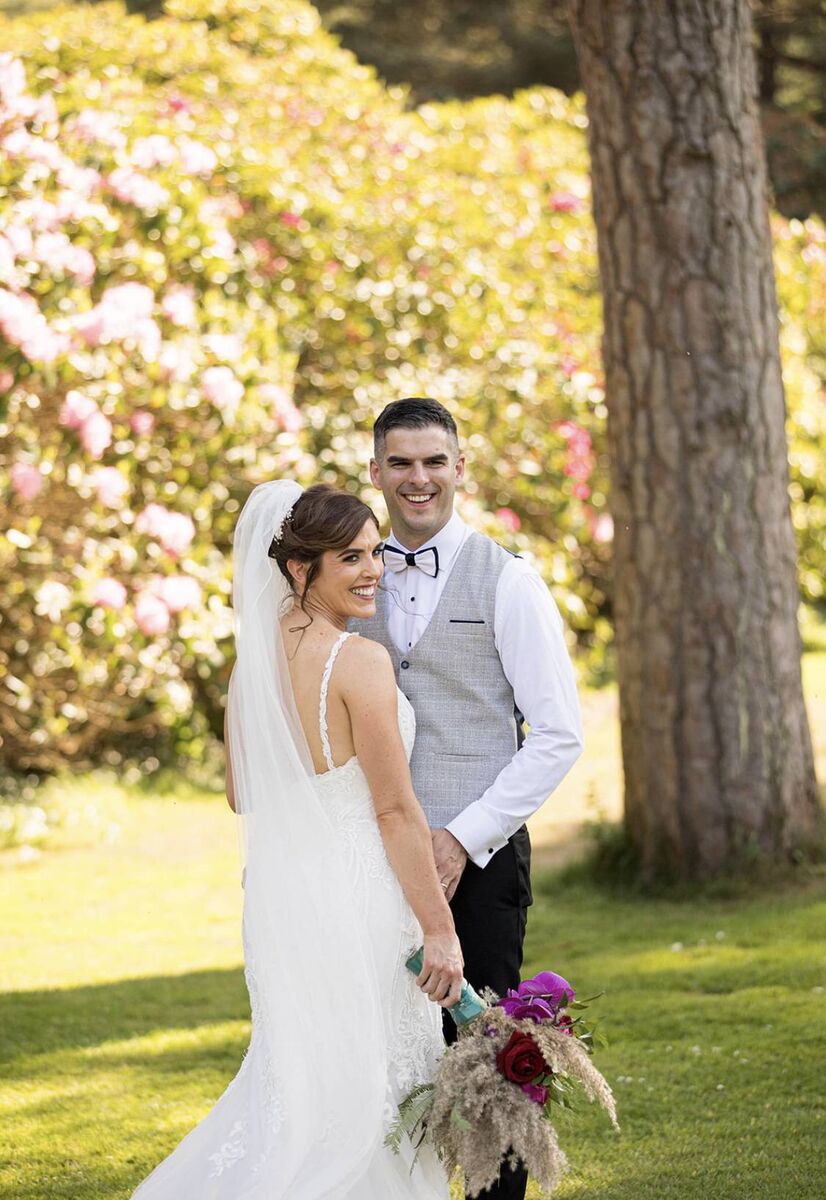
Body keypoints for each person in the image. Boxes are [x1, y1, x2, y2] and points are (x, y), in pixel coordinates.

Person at [130, 480, 462, 1200]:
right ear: (297, 568)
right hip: (361, 899)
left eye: (375, 552)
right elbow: (398, 815)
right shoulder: (359, 662)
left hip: (284, 900)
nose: (374, 569)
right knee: (377, 1088)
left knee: (305, 1082)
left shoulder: (252, 666)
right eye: (351, 557)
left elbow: (240, 793)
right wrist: (440, 929)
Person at [358, 398, 585, 1200]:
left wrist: (462, 837)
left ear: (460, 468)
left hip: (482, 866)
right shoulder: (351, 576)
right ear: (375, 471)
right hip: (371, 862)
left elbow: (558, 733)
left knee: (492, 1069)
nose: (418, 479)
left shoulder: (509, 579)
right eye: (401, 463)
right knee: (385, 1061)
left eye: (434, 461)